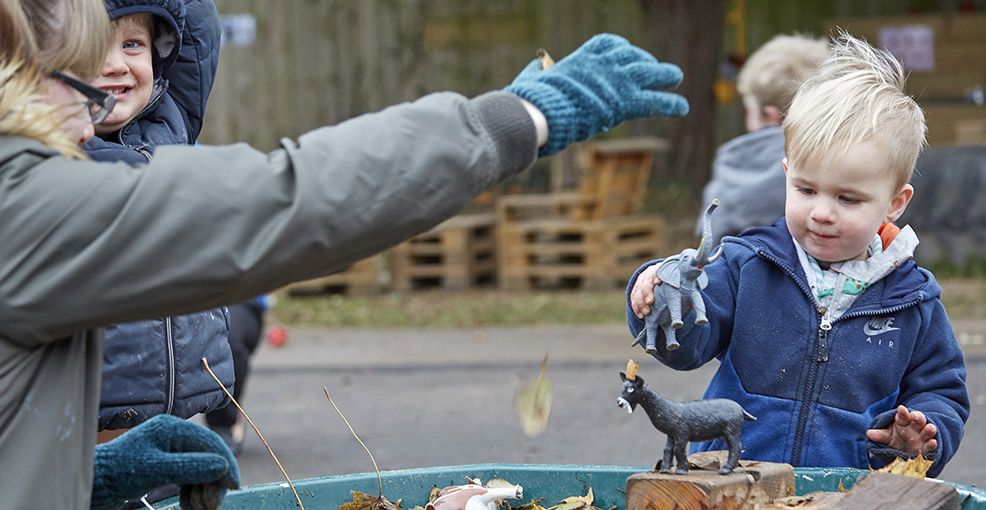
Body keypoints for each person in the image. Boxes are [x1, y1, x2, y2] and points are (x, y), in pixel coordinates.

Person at [0, 0, 690, 506]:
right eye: (79, 85)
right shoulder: (24, 206)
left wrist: (82, 477)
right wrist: (516, 120)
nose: (91, 115)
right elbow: (286, 201)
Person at [627, 31, 969, 478]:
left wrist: (921, 439)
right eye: (806, 189)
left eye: (848, 199)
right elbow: (686, 346)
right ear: (787, 173)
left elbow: (942, 392)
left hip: (848, 494)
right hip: (734, 486)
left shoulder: (913, 301)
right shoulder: (747, 265)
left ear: (894, 203)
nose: (822, 213)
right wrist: (658, 296)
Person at [86, 0, 237, 444]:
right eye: (92, 45)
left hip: (166, 417)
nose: (116, 65)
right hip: (77, 426)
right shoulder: (41, 154)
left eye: (133, 44)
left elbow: (195, 27)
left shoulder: (171, 130)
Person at [697, 34, 829, 243]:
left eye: (747, 110)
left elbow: (709, 251)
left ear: (771, 115)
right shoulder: (845, 166)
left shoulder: (730, 173)